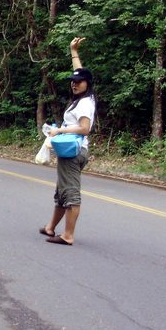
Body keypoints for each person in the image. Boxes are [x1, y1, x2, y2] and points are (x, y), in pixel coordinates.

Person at [40, 37, 96, 246]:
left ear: (87, 85)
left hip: (74, 152)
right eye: (73, 81)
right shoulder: (83, 99)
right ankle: (50, 227)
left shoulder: (84, 105)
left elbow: (85, 128)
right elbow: (81, 72)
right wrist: (74, 51)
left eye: (78, 82)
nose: (74, 84)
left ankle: (68, 235)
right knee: (61, 191)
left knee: (70, 193)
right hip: (69, 151)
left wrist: (59, 130)